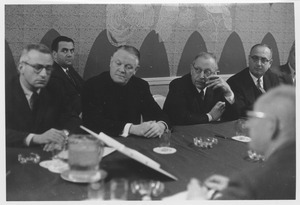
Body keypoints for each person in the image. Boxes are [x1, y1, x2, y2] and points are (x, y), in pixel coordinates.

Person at [185, 85, 295, 200]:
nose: (248, 124)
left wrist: (196, 199)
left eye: (254, 117)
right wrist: (236, 188)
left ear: (272, 125)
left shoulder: (253, 180)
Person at [82, 45, 170, 138]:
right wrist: (132, 128)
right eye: (118, 63)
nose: (122, 70)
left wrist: (160, 126)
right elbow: (92, 123)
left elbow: (158, 114)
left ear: (135, 70)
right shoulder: (92, 85)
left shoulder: (140, 85)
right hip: (101, 143)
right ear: (111, 62)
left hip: (132, 143)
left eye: (128, 67)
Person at [6, 43, 81, 150]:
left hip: (47, 155)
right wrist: (35, 138)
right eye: (37, 67)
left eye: (48, 68)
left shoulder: (55, 87)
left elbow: (72, 119)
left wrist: (62, 136)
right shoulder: (5, 90)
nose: (44, 74)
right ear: (21, 67)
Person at [163, 52, 237, 125]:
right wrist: (210, 117)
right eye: (197, 70)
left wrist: (229, 93)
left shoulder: (217, 87)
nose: (201, 76)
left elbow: (233, 117)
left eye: (207, 72)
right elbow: (179, 118)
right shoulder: (178, 85)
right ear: (192, 69)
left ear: (215, 74)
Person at [227, 43, 280, 118]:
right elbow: (241, 112)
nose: (258, 64)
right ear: (249, 59)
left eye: (263, 60)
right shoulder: (234, 82)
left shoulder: (273, 78)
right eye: (255, 58)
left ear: (270, 63)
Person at [49, 36, 84, 115]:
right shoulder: (52, 75)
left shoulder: (69, 69)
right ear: (54, 54)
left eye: (72, 51)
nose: (69, 55)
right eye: (65, 51)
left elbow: (83, 88)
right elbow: (61, 107)